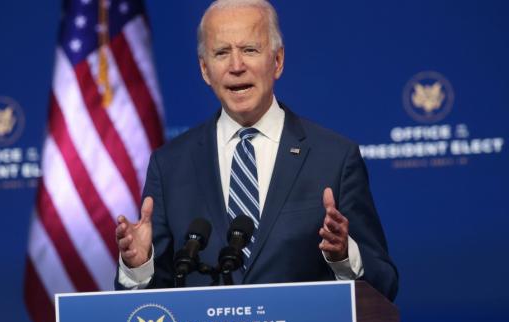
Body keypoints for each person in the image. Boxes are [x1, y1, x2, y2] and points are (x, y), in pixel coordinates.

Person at [115, 0, 398, 301]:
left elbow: (385, 284)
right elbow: (149, 309)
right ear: (205, 70)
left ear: (277, 61)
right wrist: (138, 266)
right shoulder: (170, 165)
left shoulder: (334, 159)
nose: (236, 66)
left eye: (250, 50)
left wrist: (344, 255)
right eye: (221, 53)